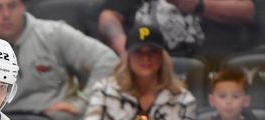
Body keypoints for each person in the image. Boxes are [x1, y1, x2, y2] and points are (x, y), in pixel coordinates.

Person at [0, 0, 117, 120]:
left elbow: (109, 61)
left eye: (12, 6)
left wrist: (82, 102)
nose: (6, 14)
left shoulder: (54, 34)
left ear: (23, 7)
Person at [79, 25, 197, 120]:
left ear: (162, 56)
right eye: (138, 52)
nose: (146, 58)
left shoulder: (183, 99)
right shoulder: (105, 89)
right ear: (128, 56)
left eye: (152, 51)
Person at [97, 0, 257, 69]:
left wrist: (199, 5)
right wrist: (126, 50)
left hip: (210, 64)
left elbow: (248, 12)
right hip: (148, 62)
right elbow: (108, 16)